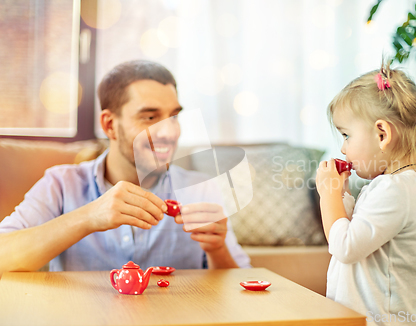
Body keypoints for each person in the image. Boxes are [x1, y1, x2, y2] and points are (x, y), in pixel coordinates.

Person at [0, 60, 251, 276]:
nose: (169, 132)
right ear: (110, 125)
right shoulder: (61, 184)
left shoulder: (200, 189)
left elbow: (240, 285)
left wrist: (218, 250)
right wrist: (88, 216)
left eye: (174, 116)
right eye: (150, 117)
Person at [316, 61, 416, 326]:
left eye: (346, 135)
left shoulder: (395, 188)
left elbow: (345, 247)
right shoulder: (406, 183)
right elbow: (362, 232)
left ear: (382, 134)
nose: (344, 149)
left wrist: (329, 194)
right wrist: (343, 195)